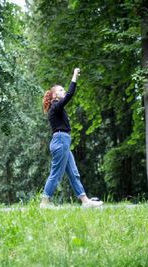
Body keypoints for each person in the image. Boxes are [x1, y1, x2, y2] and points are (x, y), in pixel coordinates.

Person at [40, 68, 103, 208]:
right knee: (56, 174)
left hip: (64, 142)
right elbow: (69, 95)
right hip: (60, 141)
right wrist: (74, 76)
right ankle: (44, 202)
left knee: (74, 173)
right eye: (61, 90)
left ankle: (85, 201)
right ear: (55, 95)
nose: (63, 92)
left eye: (63, 89)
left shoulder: (57, 108)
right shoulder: (55, 106)